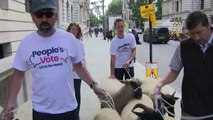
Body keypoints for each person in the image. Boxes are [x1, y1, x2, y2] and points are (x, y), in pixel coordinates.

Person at [0, 0, 107, 120]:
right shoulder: (26, 44)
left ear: (55, 15)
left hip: (69, 109)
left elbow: (78, 67)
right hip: (41, 111)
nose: (44, 19)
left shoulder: (69, 39)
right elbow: (18, 75)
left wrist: (94, 85)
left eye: (49, 14)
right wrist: (10, 101)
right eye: (40, 14)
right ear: (33, 17)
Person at [155, 11, 213, 119]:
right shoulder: (183, 47)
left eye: (199, 32)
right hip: (190, 112)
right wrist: (161, 83)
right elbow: (174, 71)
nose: (195, 37)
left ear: (209, 26)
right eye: (191, 34)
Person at [66, 23, 85, 120]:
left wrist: (84, 69)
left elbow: (83, 58)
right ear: (69, 30)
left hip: (77, 75)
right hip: (67, 75)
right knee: (68, 94)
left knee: (77, 94)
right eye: (72, 29)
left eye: (76, 30)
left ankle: (76, 114)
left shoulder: (80, 43)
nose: (74, 31)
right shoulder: (64, 42)